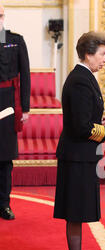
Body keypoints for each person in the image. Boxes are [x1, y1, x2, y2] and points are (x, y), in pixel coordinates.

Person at [53, 31, 105, 250]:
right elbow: (80, 127)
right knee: (75, 213)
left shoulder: (84, 77)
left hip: (81, 155)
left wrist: (100, 121)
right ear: (89, 53)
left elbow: (82, 118)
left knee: (77, 213)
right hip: (76, 157)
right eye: (102, 54)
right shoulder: (80, 80)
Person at [0, 4, 30, 220]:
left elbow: (25, 75)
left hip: (8, 104)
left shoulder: (15, 40)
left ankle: (3, 204)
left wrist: (26, 108)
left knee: (5, 157)